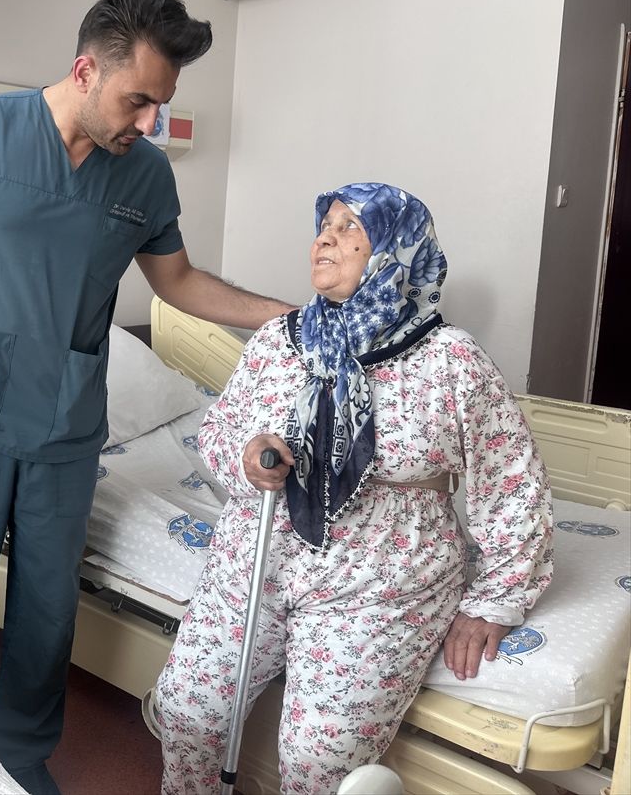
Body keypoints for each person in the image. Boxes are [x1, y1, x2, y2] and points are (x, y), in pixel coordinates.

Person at [0, 0, 293, 794]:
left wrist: (286, 316)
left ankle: (20, 758)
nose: (149, 124)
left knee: (46, 612)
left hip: (66, 429)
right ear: (85, 71)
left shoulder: (144, 176)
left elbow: (178, 283)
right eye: (138, 101)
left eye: (161, 107)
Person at [154, 183, 554, 794]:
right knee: (185, 711)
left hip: (381, 582)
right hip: (255, 562)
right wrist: (246, 458)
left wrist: (495, 599)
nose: (325, 238)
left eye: (349, 228)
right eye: (325, 225)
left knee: (318, 761)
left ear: (396, 250)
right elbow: (221, 429)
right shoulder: (277, 340)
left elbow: (511, 481)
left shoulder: (450, 359)